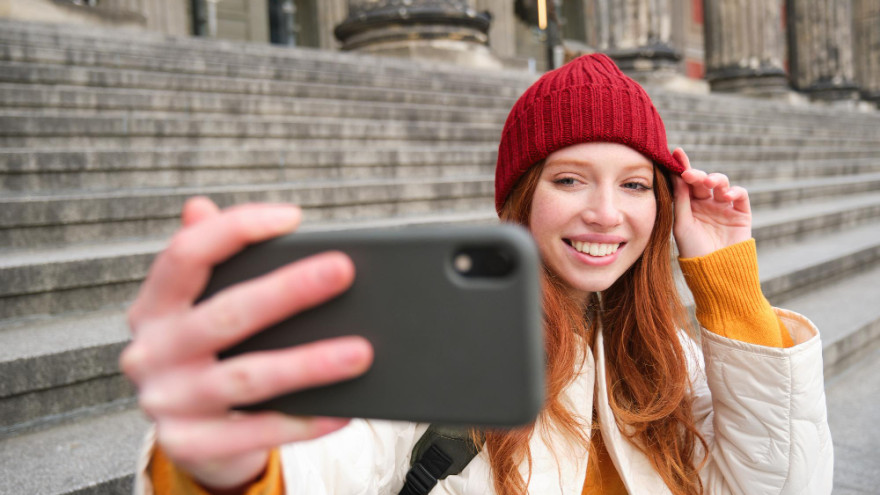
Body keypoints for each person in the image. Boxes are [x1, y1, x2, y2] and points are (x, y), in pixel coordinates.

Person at [123, 54, 833, 494]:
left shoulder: (668, 358)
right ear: (521, 198)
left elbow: (785, 484)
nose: (605, 214)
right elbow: (330, 461)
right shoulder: (442, 343)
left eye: (635, 185)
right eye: (570, 178)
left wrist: (725, 278)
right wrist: (230, 471)